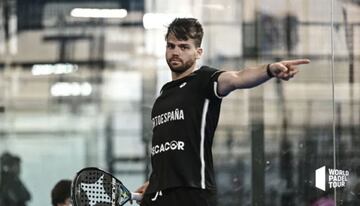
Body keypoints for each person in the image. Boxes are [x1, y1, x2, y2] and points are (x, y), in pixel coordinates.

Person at [135, 18, 310, 206]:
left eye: (184, 47)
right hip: (158, 195)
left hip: (192, 193)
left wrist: (269, 70)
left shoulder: (204, 81)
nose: (176, 52)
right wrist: (156, 182)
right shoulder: (162, 98)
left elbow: (237, 77)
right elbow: (167, 151)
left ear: (198, 52)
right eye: (171, 46)